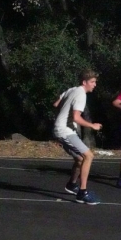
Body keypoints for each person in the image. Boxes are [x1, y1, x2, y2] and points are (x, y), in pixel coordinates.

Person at [49, 69, 103, 205]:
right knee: (88, 156)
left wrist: (61, 116)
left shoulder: (71, 90)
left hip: (60, 129)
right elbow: (76, 117)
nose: (94, 84)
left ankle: (72, 185)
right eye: (92, 82)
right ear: (84, 82)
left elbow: (55, 104)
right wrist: (92, 126)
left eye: (95, 82)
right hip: (65, 131)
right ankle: (82, 193)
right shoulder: (81, 94)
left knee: (80, 159)